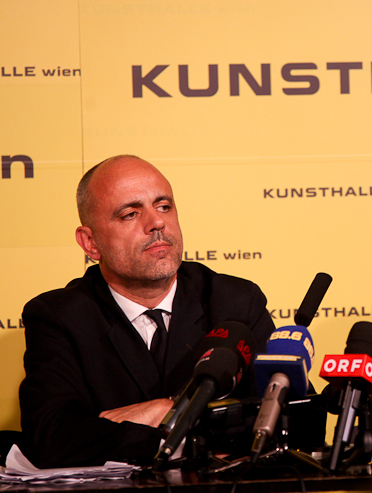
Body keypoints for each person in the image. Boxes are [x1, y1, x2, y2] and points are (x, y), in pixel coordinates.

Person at [19, 155, 275, 467]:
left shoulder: (236, 301)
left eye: (164, 206)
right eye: (129, 214)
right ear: (90, 243)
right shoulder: (58, 317)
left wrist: (150, 416)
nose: (157, 223)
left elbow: (285, 416)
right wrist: (183, 432)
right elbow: (52, 437)